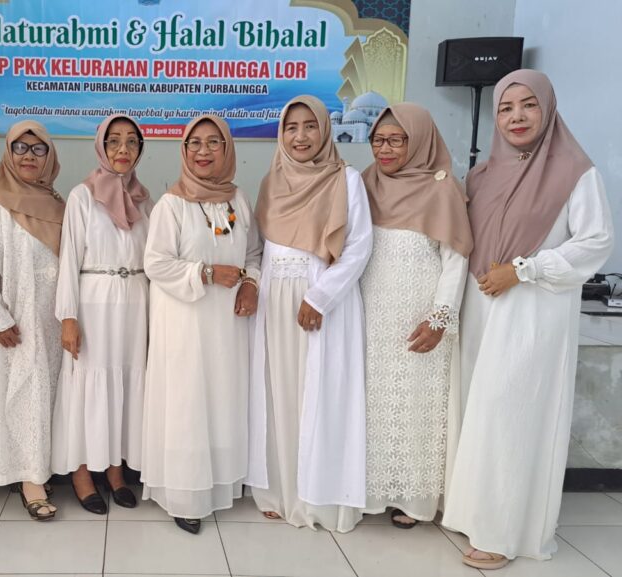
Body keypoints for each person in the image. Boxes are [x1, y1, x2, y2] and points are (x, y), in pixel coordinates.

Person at [442, 70, 613, 570]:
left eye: (528, 105)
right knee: (478, 413)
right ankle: (474, 514)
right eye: (506, 108)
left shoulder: (576, 172)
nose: (517, 116)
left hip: (532, 313)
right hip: (480, 309)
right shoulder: (481, 175)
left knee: (513, 417)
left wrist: (523, 270)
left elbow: (595, 242)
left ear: (548, 109)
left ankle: (504, 532)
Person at [247, 95, 372, 532]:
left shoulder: (346, 179)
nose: (300, 136)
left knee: (319, 394)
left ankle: (317, 497)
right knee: (278, 392)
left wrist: (320, 297)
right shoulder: (271, 182)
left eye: (310, 126)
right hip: (274, 301)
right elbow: (259, 247)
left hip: (321, 301)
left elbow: (358, 246)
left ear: (324, 130)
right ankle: (277, 489)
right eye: (291, 127)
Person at [141, 115, 261, 534]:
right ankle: (185, 495)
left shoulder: (238, 200)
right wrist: (206, 273)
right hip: (185, 323)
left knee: (222, 399)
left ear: (227, 149)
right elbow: (155, 263)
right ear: (184, 150)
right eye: (195, 143)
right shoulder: (171, 204)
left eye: (213, 143)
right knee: (187, 402)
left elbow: (253, 254)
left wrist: (251, 284)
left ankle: (220, 484)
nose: (204, 151)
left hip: (227, 325)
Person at [356, 102, 472, 529]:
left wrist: (440, 318)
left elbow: (456, 259)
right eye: (378, 140)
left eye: (397, 140)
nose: (384, 149)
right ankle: (369, 491)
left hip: (419, 316)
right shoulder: (365, 183)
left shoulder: (443, 189)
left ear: (420, 140)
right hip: (372, 312)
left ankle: (414, 499)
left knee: (417, 405)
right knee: (373, 403)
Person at [0, 120, 65, 521]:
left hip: (53, 319)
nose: (28, 157)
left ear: (50, 156)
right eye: (20, 148)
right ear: (8, 153)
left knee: (47, 395)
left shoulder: (57, 202)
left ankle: (42, 467)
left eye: (38, 149)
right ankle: (28, 479)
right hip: (17, 320)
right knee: (22, 395)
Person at [52, 114, 152, 514]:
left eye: (131, 142)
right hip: (94, 302)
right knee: (87, 387)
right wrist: (68, 316)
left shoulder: (144, 200)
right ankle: (81, 473)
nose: (123, 149)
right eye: (114, 141)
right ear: (101, 147)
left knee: (124, 385)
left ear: (140, 149)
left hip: (135, 303)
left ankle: (114, 471)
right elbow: (69, 259)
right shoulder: (82, 196)